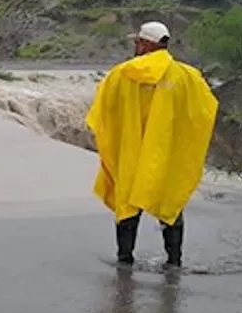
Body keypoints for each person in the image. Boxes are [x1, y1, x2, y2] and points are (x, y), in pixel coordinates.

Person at [85, 21, 219, 268]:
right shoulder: (187, 76)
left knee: (127, 203)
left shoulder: (121, 74)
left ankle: (124, 262)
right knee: (169, 201)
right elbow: (204, 111)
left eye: (137, 42)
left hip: (130, 151)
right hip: (164, 154)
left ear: (146, 44)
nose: (135, 46)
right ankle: (174, 262)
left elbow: (103, 111)